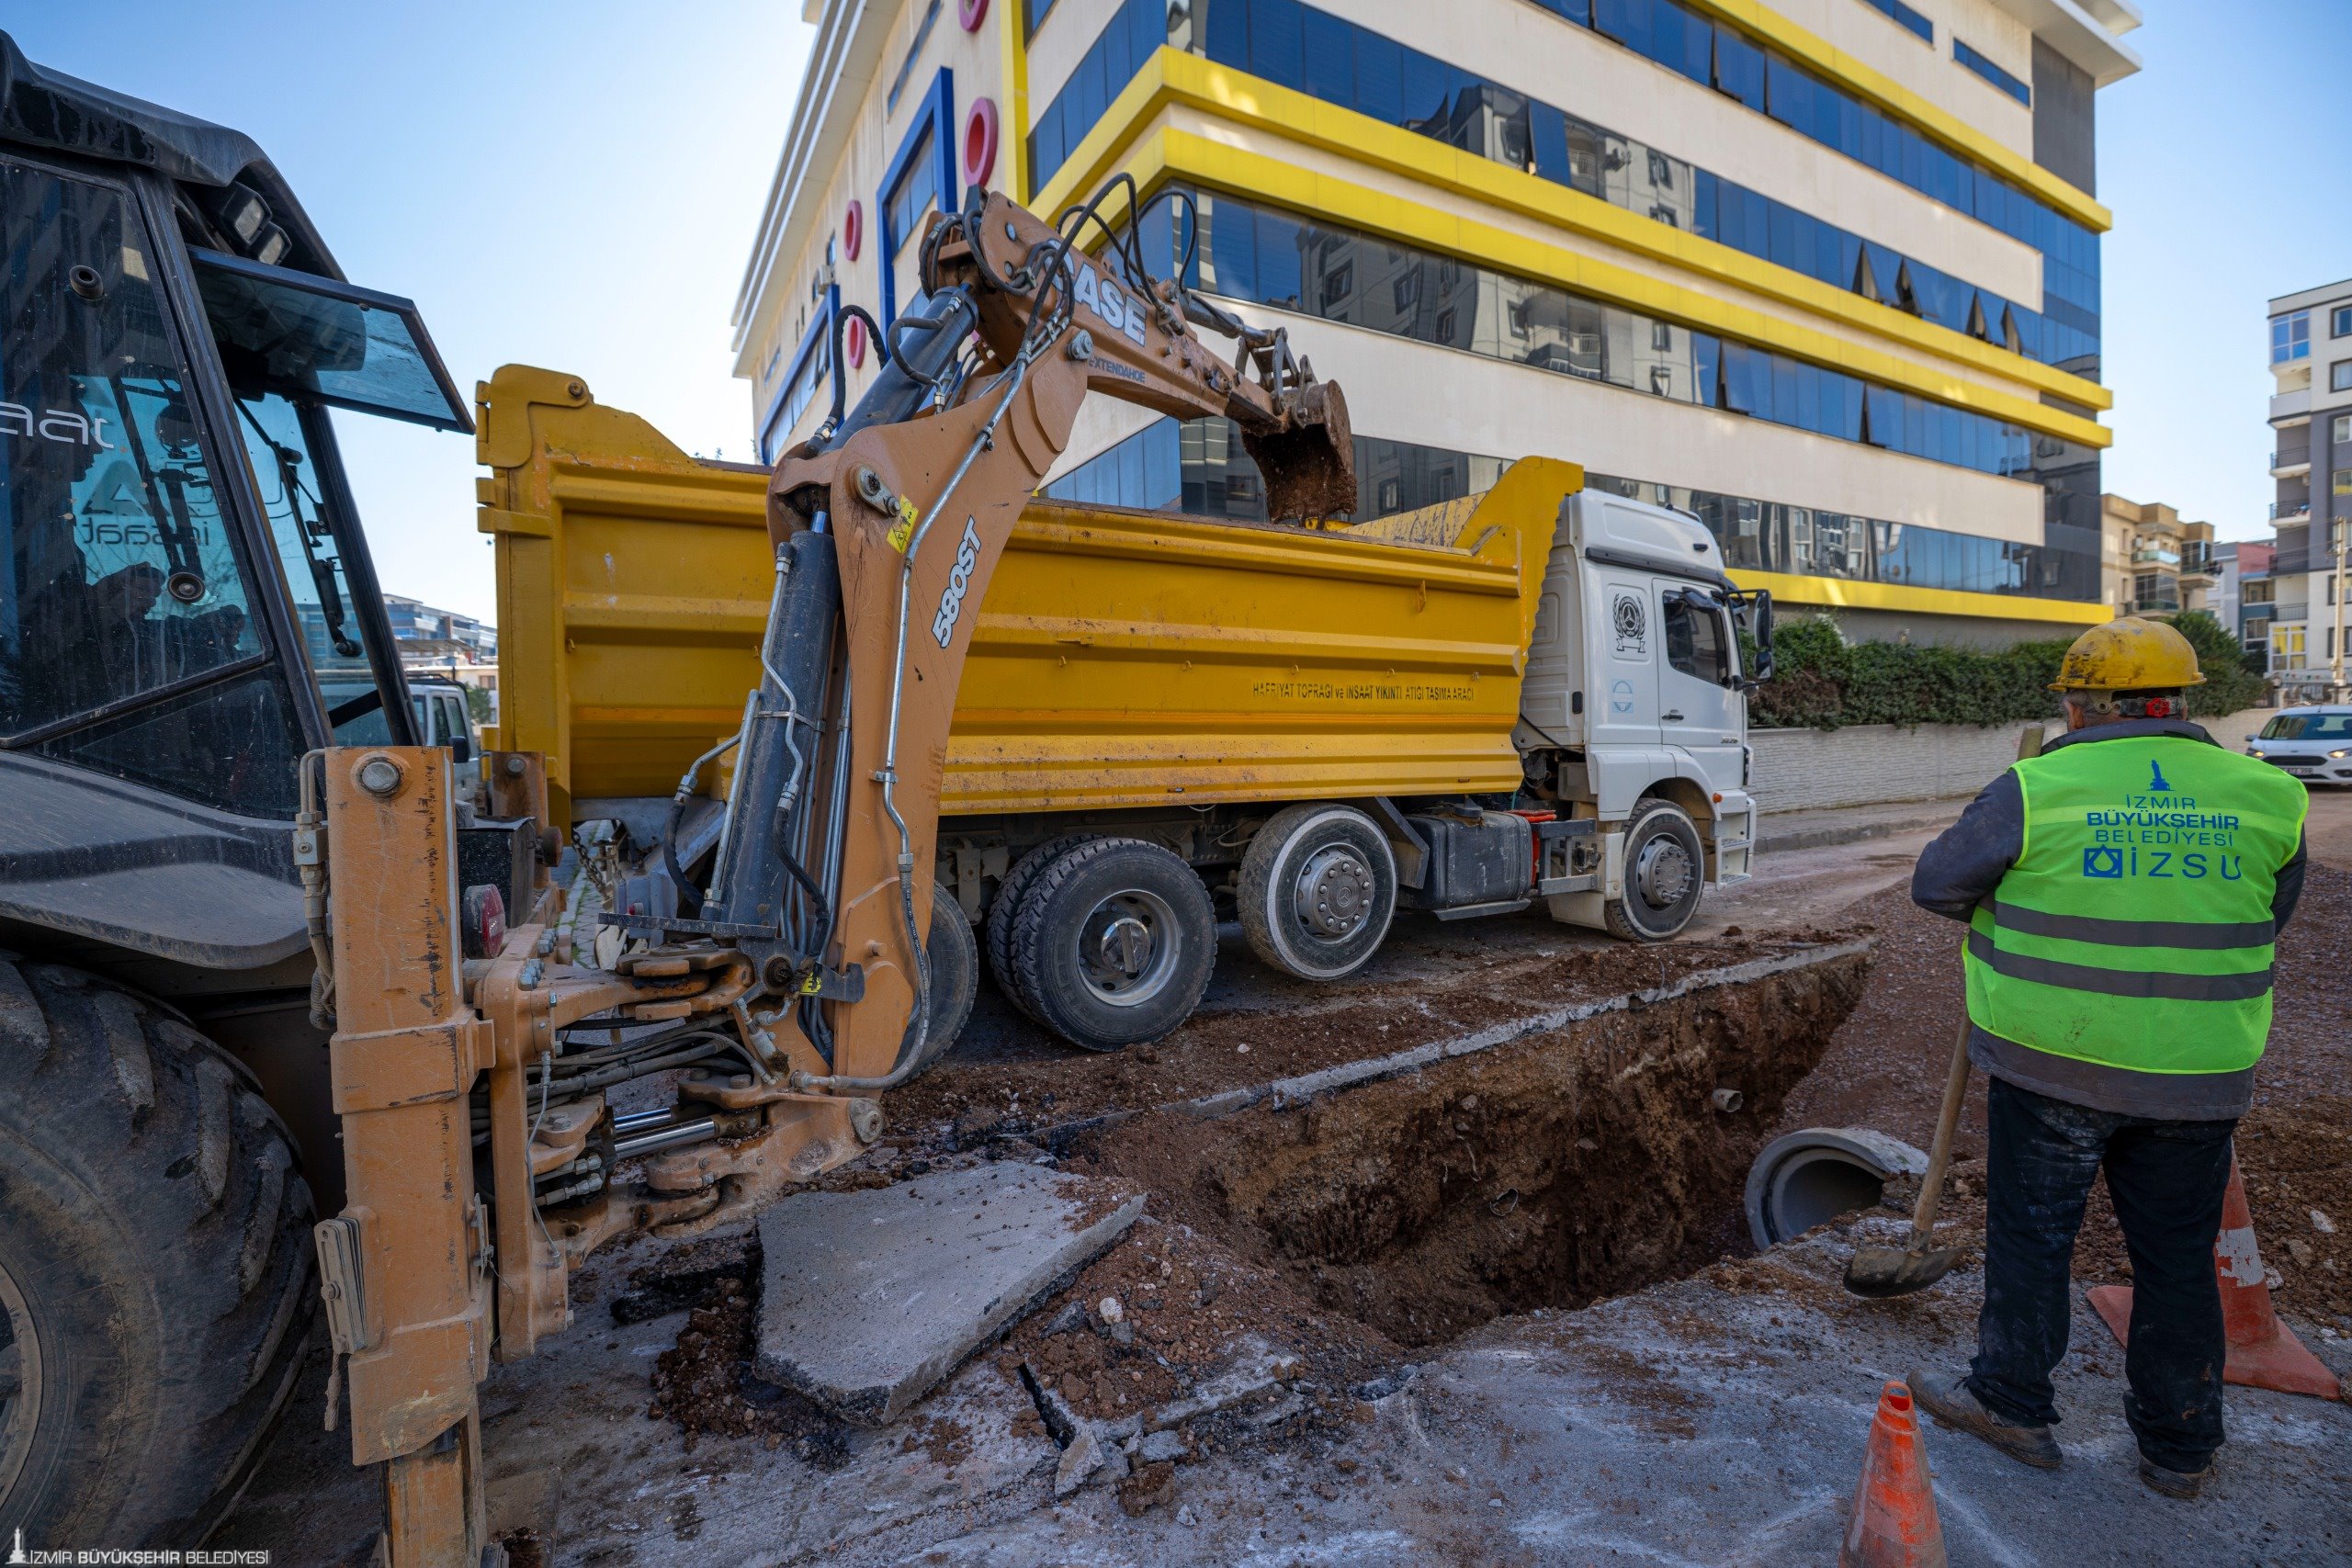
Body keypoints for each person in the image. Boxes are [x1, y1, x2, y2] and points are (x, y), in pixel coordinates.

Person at [1904, 617, 2308, 1501]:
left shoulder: (2038, 786)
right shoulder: (2266, 792)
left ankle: (2011, 1400)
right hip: (2198, 1072)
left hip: (2054, 1065)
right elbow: (2263, 915)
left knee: (2033, 1239)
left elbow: (1936, 886)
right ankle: (2180, 1446)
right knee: (2176, 1258)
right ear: (2184, 700)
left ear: (2079, 706)